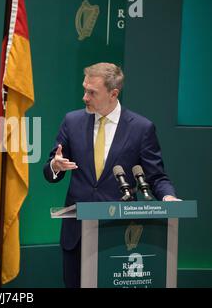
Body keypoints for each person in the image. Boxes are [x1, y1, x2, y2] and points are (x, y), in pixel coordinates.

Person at [43, 63, 179, 288]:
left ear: (113, 94)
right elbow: (49, 170)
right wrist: (55, 166)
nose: (84, 97)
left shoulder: (141, 128)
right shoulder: (72, 121)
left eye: (92, 92)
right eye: (85, 89)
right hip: (77, 235)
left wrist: (169, 198)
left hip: (119, 235)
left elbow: (156, 177)